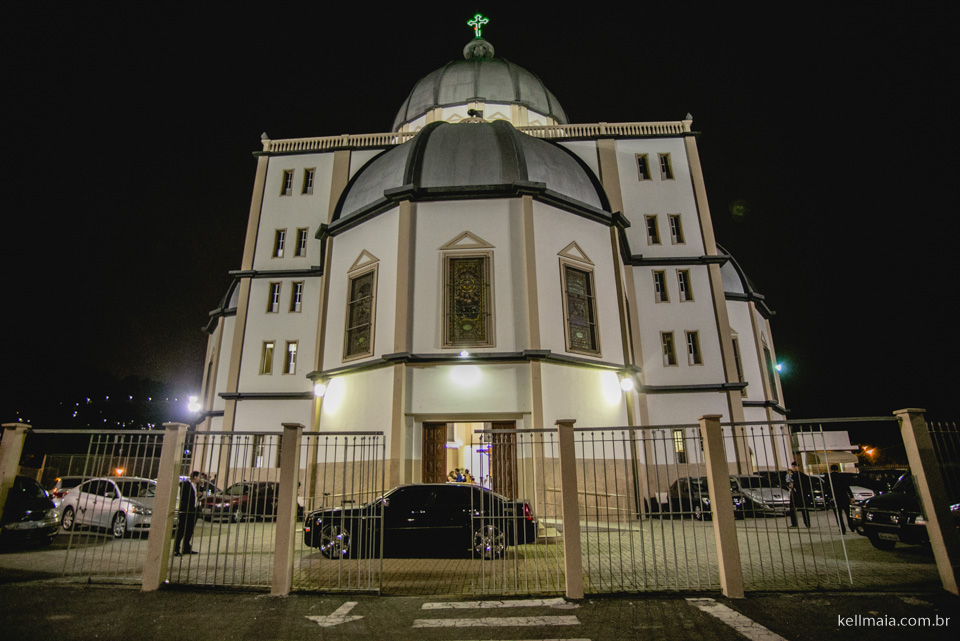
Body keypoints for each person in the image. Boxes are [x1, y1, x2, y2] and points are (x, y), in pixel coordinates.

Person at [175, 471, 201, 556]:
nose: (199, 478)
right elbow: (184, 496)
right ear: (194, 477)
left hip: (194, 510)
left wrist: (199, 493)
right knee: (181, 530)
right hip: (186, 510)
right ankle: (176, 549)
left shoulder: (196, 485)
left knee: (189, 530)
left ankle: (186, 547)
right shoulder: (185, 484)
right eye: (198, 477)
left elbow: (196, 496)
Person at [826, 464, 851, 534]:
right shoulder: (842, 476)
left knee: (838, 515)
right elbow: (847, 487)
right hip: (844, 496)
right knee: (848, 513)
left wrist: (829, 497)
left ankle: (842, 529)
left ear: (831, 469)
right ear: (838, 469)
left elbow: (827, 488)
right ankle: (851, 526)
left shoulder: (828, 477)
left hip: (835, 498)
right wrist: (851, 496)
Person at [786, 462, 810, 528]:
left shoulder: (802, 476)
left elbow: (804, 485)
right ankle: (796, 523)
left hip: (799, 493)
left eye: (794, 466)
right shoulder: (792, 475)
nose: (793, 468)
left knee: (803, 509)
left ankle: (806, 523)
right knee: (793, 509)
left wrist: (794, 485)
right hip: (795, 493)